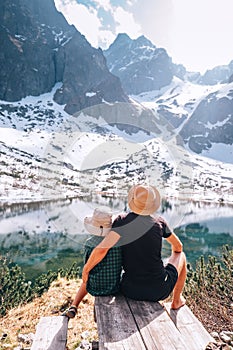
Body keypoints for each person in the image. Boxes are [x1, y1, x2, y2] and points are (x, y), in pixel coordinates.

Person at [82, 185, 187, 309]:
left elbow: (102, 249)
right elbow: (178, 247)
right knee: (181, 255)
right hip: (158, 290)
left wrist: (86, 270)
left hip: (130, 290)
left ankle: (176, 300)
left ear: (133, 201)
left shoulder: (121, 221)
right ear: (152, 204)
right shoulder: (159, 223)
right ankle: (176, 301)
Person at [62, 208, 122, 318]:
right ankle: (73, 306)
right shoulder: (118, 241)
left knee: (86, 279)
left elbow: (88, 265)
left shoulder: (89, 243)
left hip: (95, 287)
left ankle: (74, 306)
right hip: (115, 285)